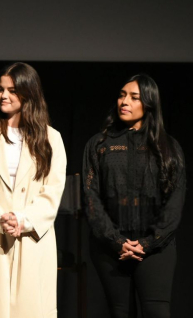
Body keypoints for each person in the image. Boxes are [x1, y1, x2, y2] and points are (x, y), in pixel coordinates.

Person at [0, 62, 67, 318]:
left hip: (31, 237)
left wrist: (23, 220)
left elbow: (53, 190)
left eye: (12, 90)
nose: (4, 95)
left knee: (31, 309)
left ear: (29, 93)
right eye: (0, 89)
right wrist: (0, 219)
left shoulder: (51, 139)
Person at [83, 74, 186, 318]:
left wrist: (149, 242)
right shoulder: (100, 144)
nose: (124, 101)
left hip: (155, 248)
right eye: (121, 95)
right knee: (119, 312)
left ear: (149, 103)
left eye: (133, 97)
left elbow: (175, 201)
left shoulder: (168, 147)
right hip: (110, 248)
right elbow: (90, 198)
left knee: (157, 311)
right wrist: (115, 240)